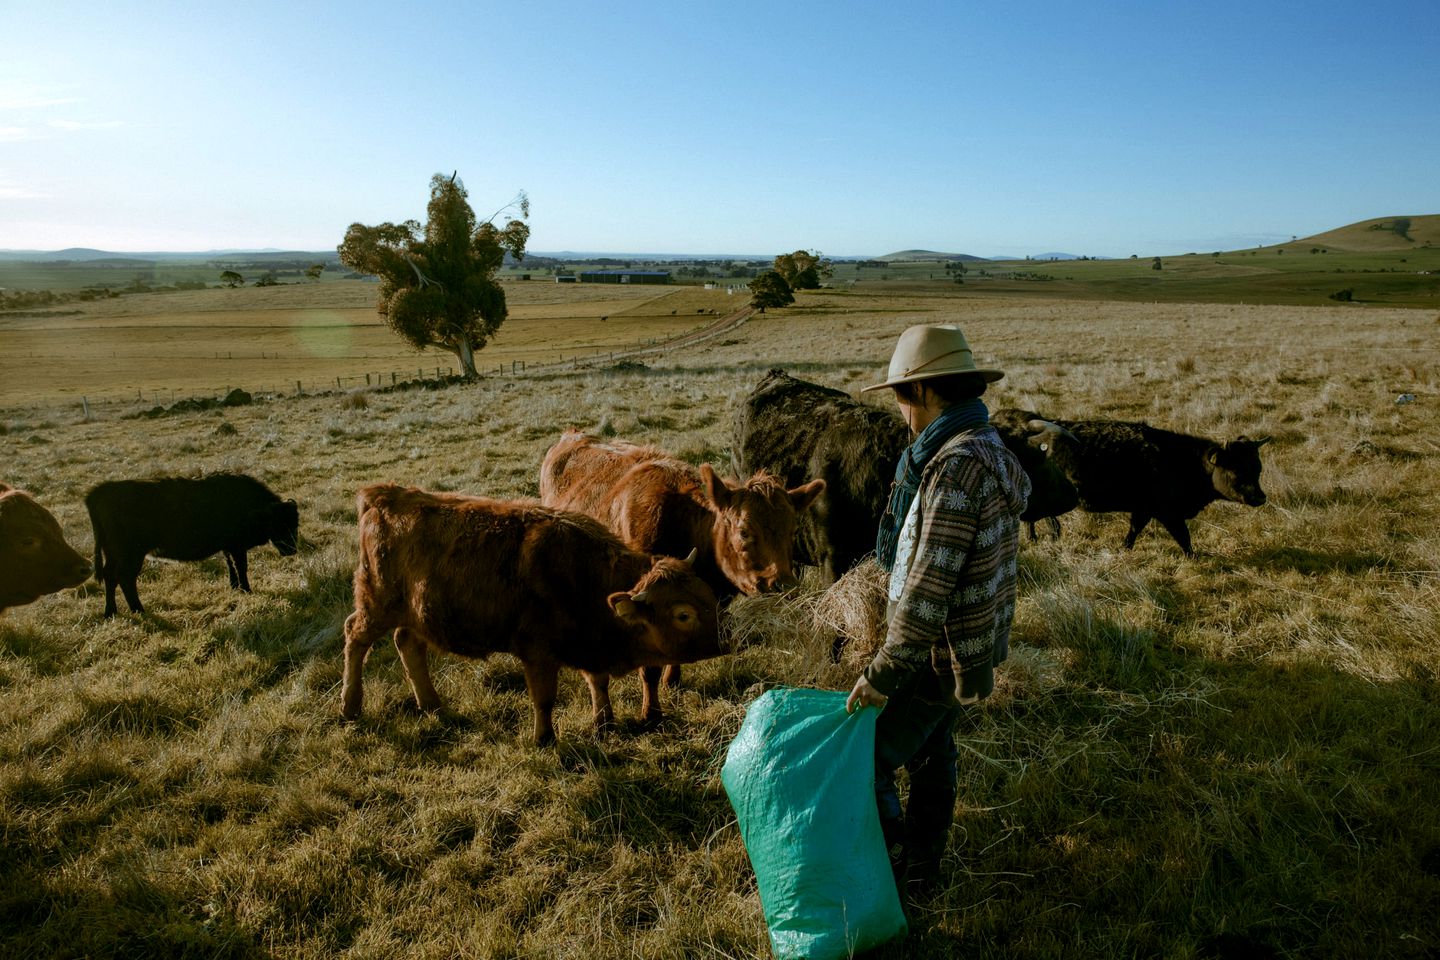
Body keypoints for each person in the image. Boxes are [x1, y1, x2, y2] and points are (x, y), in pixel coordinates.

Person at [845, 322, 1030, 897]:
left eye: (902, 394)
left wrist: (882, 674)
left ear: (926, 392)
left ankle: (894, 864)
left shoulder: (954, 469)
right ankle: (924, 869)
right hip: (971, 647)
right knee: (932, 752)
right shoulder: (989, 449)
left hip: (937, 654)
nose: (901, 410)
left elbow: (927, 591)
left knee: (868, 757)